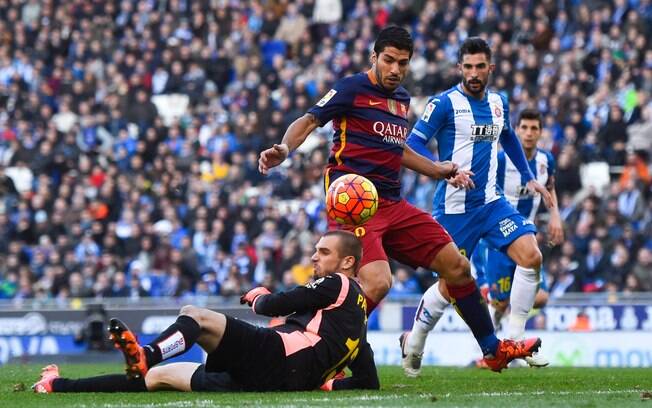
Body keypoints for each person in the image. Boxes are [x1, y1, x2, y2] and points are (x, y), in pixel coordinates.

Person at [258, 27, 540, 372]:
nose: (395, 69)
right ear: (373, 57)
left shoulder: (401, 99)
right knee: (378, 282)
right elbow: (308, 121)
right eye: (389, 60)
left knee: (458, 267)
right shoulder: (351, 88)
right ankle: (315, 350)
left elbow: (399, 148)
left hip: (392, 203)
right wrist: (285, 150)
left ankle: (493, 350)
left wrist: (438, 170)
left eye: (402, 63)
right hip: (355, 207)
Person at [33, 231, 378, 393]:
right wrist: (327, 385)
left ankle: (148, 353)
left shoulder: (338, 283)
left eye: (323, 251)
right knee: (155, 379)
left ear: (347, 262)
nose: (315, 257)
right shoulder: (360, 318)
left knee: (194, 315)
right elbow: (367, 381)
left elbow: (276, 304)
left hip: (276, 357)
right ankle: (57, 385)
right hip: (281, 379)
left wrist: (259, 297)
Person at [400, 37, 553, 377]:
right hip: (454, 210)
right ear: (459, 68)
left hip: (491, 202)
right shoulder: (443, 104)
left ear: (490, 68)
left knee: (532, 257)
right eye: (467, 67)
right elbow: (410, 146)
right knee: (452, 282)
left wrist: (529, 177)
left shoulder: (500, 102)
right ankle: (415, 338)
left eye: (479, 66)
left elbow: (509, 136)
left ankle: (514, 339)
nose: (473, 73)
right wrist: (444, 170)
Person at [474, 109, 564, 363]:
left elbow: (550, 187)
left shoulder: (546, 160)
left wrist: (555, 216)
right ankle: (489, 352)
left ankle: (515, 337)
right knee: (499, 303)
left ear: (540, 132)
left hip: (526, 238)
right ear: (517, 130)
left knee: (542, 297)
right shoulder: (501, 160)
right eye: (524, 127)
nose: (529, 133)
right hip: (500, 240)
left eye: (534, 128)